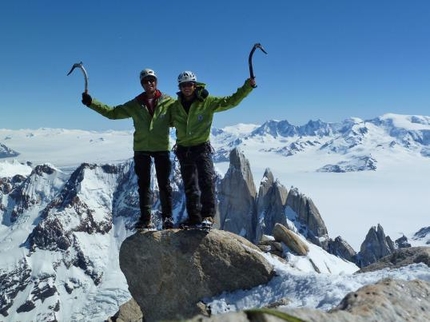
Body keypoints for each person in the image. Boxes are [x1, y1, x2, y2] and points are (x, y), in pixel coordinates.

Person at [81, 68, 175, 230]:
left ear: (156, 82)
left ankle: (167, 218)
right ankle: (146, 219)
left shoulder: (169, 102)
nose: (149, 83)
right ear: (142, 84)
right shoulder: (135, 104)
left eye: (151, 80)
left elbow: (181, 117)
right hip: (142, 148)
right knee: (143, 185)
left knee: (164, 184)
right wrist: (91, 103)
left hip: (161, 147)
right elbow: (113, 113)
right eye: (145, 81)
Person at [171, 71, 256, 229]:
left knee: (206, 182)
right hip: (184, 150)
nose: (187, 87)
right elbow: (166, 121)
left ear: (195, 85)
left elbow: (230, 101)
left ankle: (208, 216)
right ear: (180, 87)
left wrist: (247, 87)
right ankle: (194, 218)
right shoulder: (175, 107)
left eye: (189, 84)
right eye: (183, 85)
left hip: (201, 147)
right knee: (190, 185)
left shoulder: (207, 101)